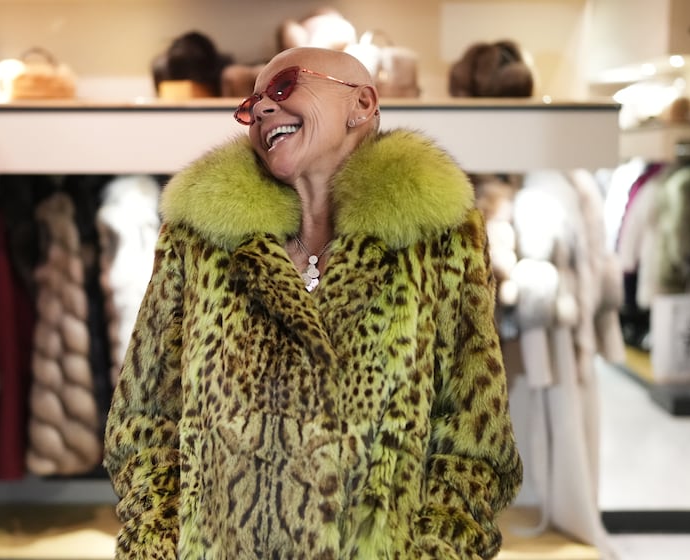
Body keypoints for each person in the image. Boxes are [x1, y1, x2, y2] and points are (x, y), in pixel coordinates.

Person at [103, 46, 523, 559]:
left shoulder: (438, 241)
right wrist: (159, 542)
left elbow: (474, 436)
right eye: (251, 103)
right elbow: (143, 417)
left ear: (362, 104)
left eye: (283, 87)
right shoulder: (201, 241)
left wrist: (438, 548)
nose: (260, 108)